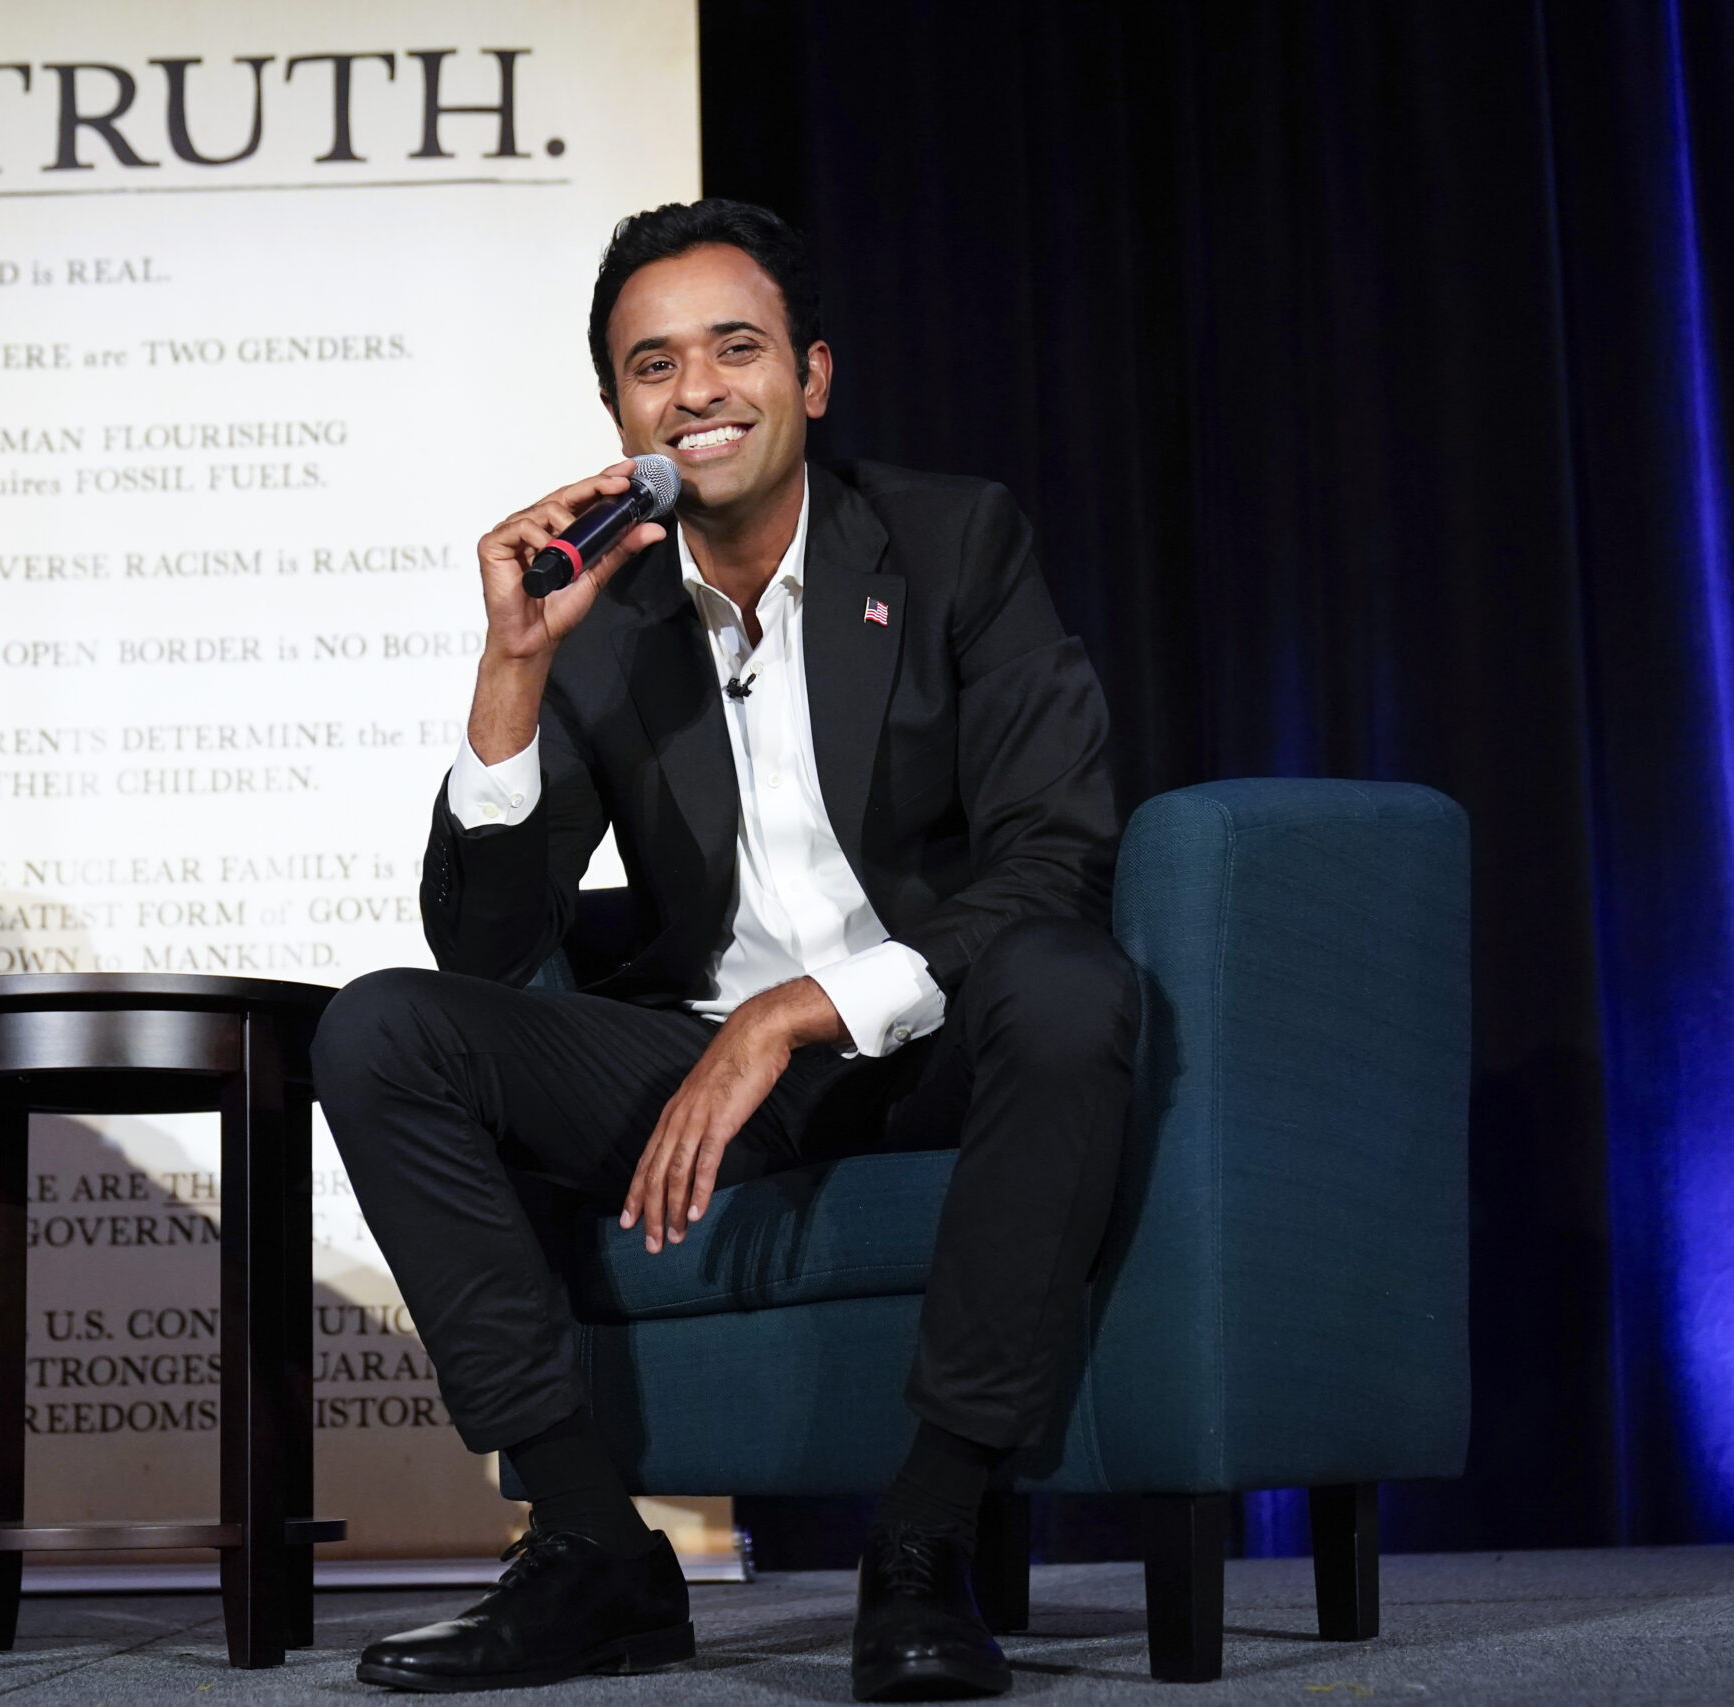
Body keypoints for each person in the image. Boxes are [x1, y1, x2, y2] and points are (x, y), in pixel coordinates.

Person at [313, 200, 1136, 1700]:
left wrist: (795, 1014)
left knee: (1072, 986)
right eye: (653, 365)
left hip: (929, 1037)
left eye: (735, 348)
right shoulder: (606, 615)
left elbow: (1057, 853)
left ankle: (926, 1540)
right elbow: (485, 948)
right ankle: (590, 1547)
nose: (695, 389)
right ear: (618, 414)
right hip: (703, 1059)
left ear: (809, 377)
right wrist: (514, 664)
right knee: (382, 1028)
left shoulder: (954, 540)